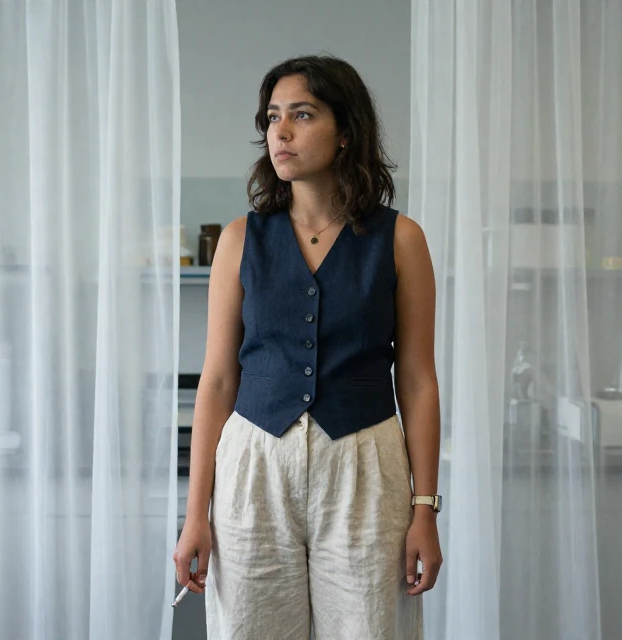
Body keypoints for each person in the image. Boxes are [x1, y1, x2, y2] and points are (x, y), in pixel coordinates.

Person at [173, 54, 443, 639]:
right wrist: (197, 514)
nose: (281, 132)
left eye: (302, 114)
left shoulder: (401, 239)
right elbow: (218, 380)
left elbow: (418, 380)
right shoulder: (241, 239)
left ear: (346, 133)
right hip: (253, 467)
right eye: (273, 117)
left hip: (365, 468)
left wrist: (426, 508)